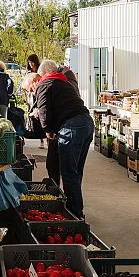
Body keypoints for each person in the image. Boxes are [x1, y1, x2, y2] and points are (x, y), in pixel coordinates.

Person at [35, 59, 93, 219]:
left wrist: (47, 131)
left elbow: (44, 110)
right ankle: (76, 210)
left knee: (68, 173)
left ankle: (75, 214)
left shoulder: (45, 84)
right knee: (75, 172)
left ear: (44, 74)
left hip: (72, 127)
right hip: (87, 123)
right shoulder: (63, 83)